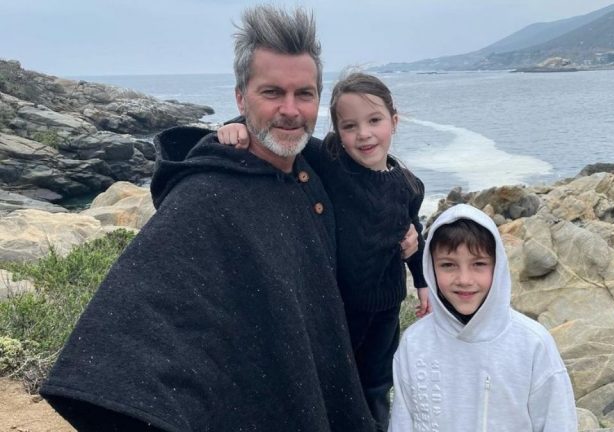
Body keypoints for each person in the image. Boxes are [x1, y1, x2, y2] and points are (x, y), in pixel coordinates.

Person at [39, 6, 376, 432]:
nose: (291, 109)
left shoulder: (314, 172)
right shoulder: (205, 198)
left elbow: (382, 185)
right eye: (272, 92)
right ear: (241, 97)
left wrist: (410, 237)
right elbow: (132, 333)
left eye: (304, 94)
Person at [212, 72, 431, 432]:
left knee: (376, 386)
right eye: (350, 126)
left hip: (386, 309)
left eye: (374, 121)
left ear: (394, 121)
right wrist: (237, 126)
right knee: (333, 383)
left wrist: (422, 281)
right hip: (338, 307)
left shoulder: (410, 185)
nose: (364, 134)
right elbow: (283, 131)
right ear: (337, 133)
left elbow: (413, 232)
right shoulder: (331, 162)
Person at [389, 204, 578, 432]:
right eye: (448, 265)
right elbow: (401, 423)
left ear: (497, 267)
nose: (464, 279)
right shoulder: (414, 343)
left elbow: (558, 422)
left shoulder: (533, 344)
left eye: (478, 264)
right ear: (431, 268)